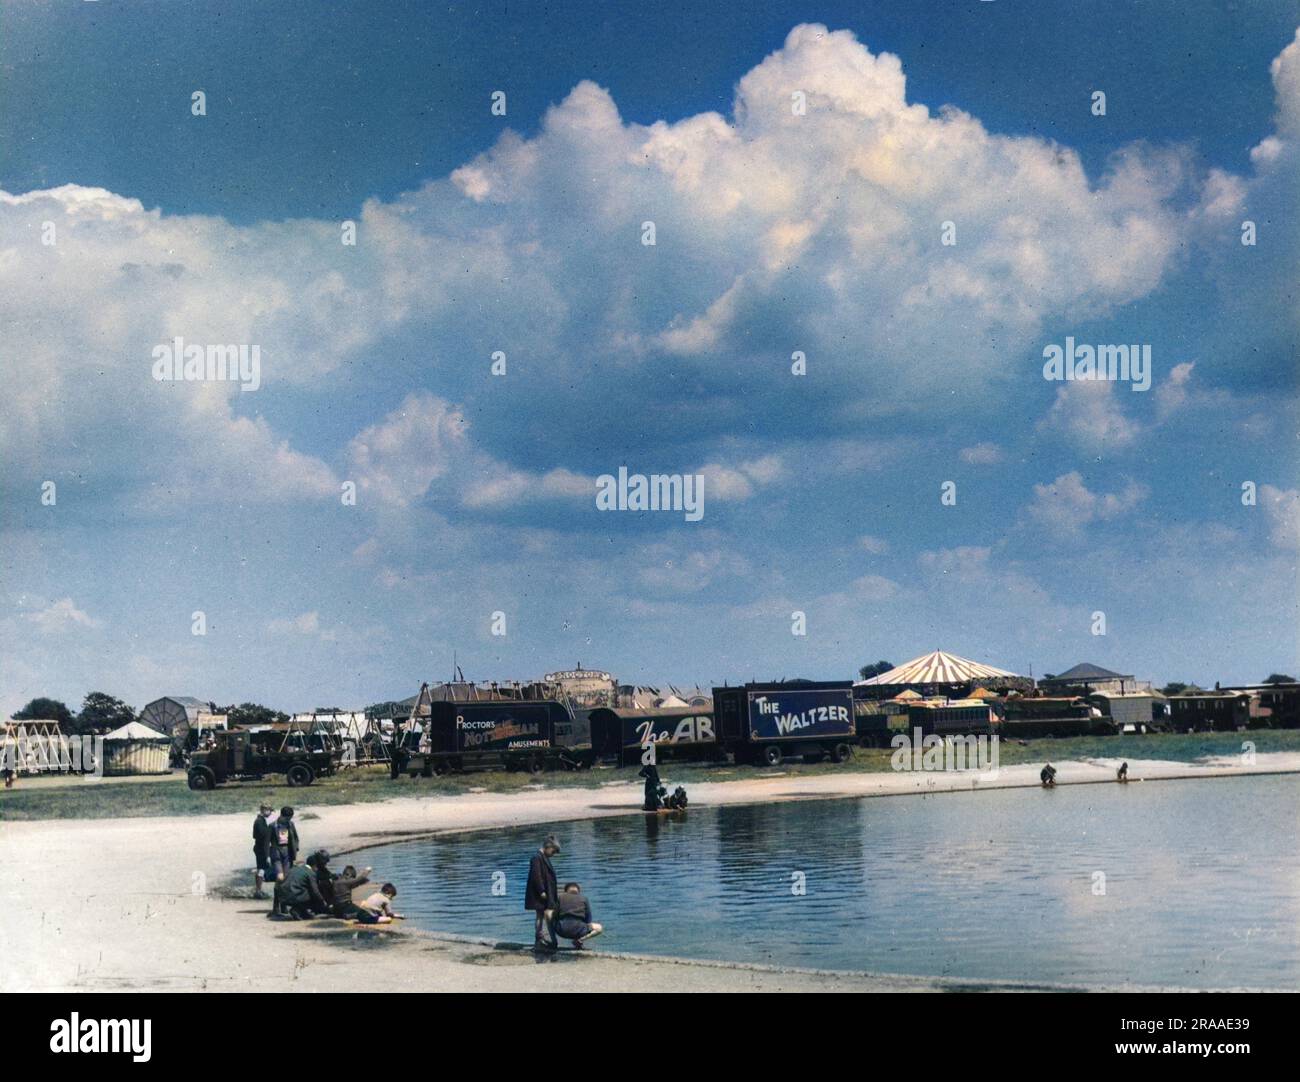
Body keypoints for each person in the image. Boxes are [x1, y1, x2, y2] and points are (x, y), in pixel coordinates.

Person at [524, 835, 561, 950]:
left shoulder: (541, 857)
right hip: (541, 893)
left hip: (544, 892)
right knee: (540, 916)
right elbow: (536, 875)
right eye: (553, 851)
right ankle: (540, 939)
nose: (553, 854)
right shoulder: (537, 857)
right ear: (548, 847)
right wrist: (542, 891)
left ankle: (542, 939)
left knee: (541, 915)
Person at [552, 882, 603, 949]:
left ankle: (553, 941)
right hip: (578, 931)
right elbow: (588, 920)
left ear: (566, 890)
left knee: (548, 914)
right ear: (578, 891)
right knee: (599, 928)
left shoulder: (561, 897)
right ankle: (580, 940)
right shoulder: (584, 899)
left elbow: (555, 915)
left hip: (561, 930)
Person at [268, 806, 299, 883]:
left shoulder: (291, 824)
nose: (289, 820)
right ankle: (278, 891)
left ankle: (284, 893)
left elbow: (295, 838)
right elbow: (266, 841)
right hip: (276, 852)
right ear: (281, 816)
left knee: (287, 876)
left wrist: (296, 849)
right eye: (287, 818)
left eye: (290, 818)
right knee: (280, 876)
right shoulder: (272, 826)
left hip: (288, 852)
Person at [252, 802, 275, 898]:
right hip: (261, 848)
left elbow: (254, 835)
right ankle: (258, 891)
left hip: (259, 847)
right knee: (261, 869)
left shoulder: (259, 820)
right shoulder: (260, 821)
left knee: (261, 869)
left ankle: (258, 890)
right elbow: (264, 836)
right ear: (264, 810)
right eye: (269, 810)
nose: (270, 813)